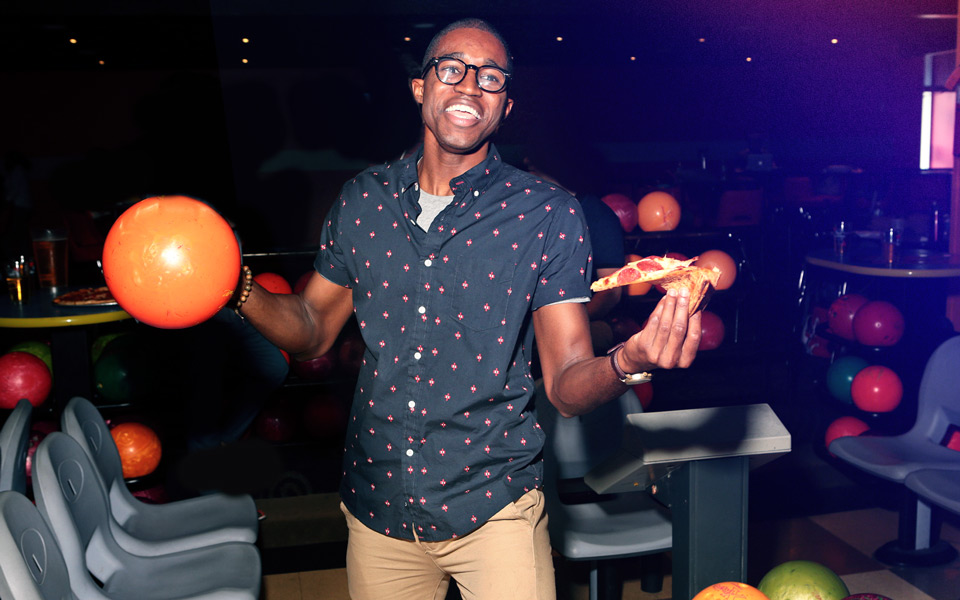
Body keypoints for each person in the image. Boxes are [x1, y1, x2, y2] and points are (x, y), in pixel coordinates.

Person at [235, 18, 701, 600]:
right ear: (420, 88)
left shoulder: (548, 215)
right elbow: (309, 329)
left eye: (491, 78)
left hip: (495, 506)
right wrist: (237, 283)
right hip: (378, 507)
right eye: (451, 69)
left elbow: (563, 384)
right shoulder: (362, 202)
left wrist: (628, 360)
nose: (469, 87)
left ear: (506, 107)